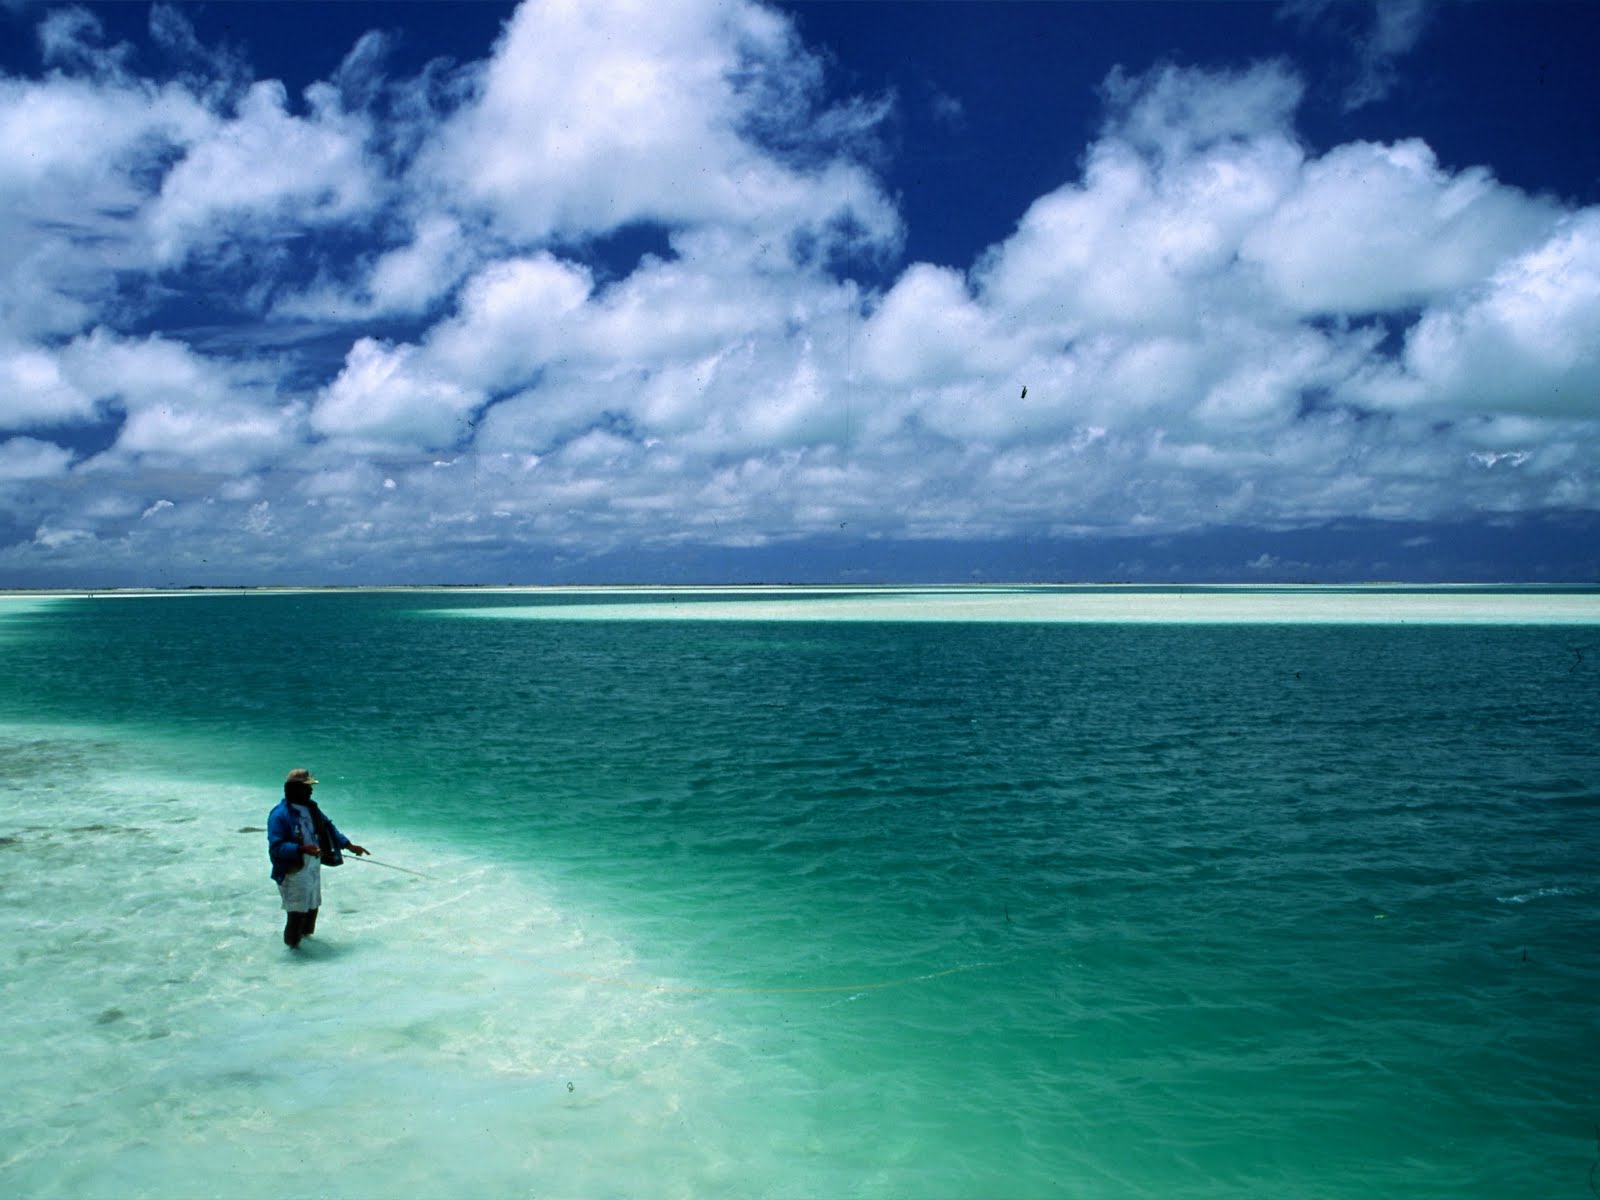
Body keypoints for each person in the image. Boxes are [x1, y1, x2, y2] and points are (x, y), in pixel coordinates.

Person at [267, 768, 368, 948]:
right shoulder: (279, 814)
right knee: (296, 914)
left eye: (311, 787)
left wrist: (348, 845)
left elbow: (329, 828)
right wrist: (302, 848)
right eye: (307, 787)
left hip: (312, 866)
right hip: (294, 871)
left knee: (313, 908)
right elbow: (276, 847)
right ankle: (292, 953)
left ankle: (309, 947)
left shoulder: (312, 808)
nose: (311, 791)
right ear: (293, 789)